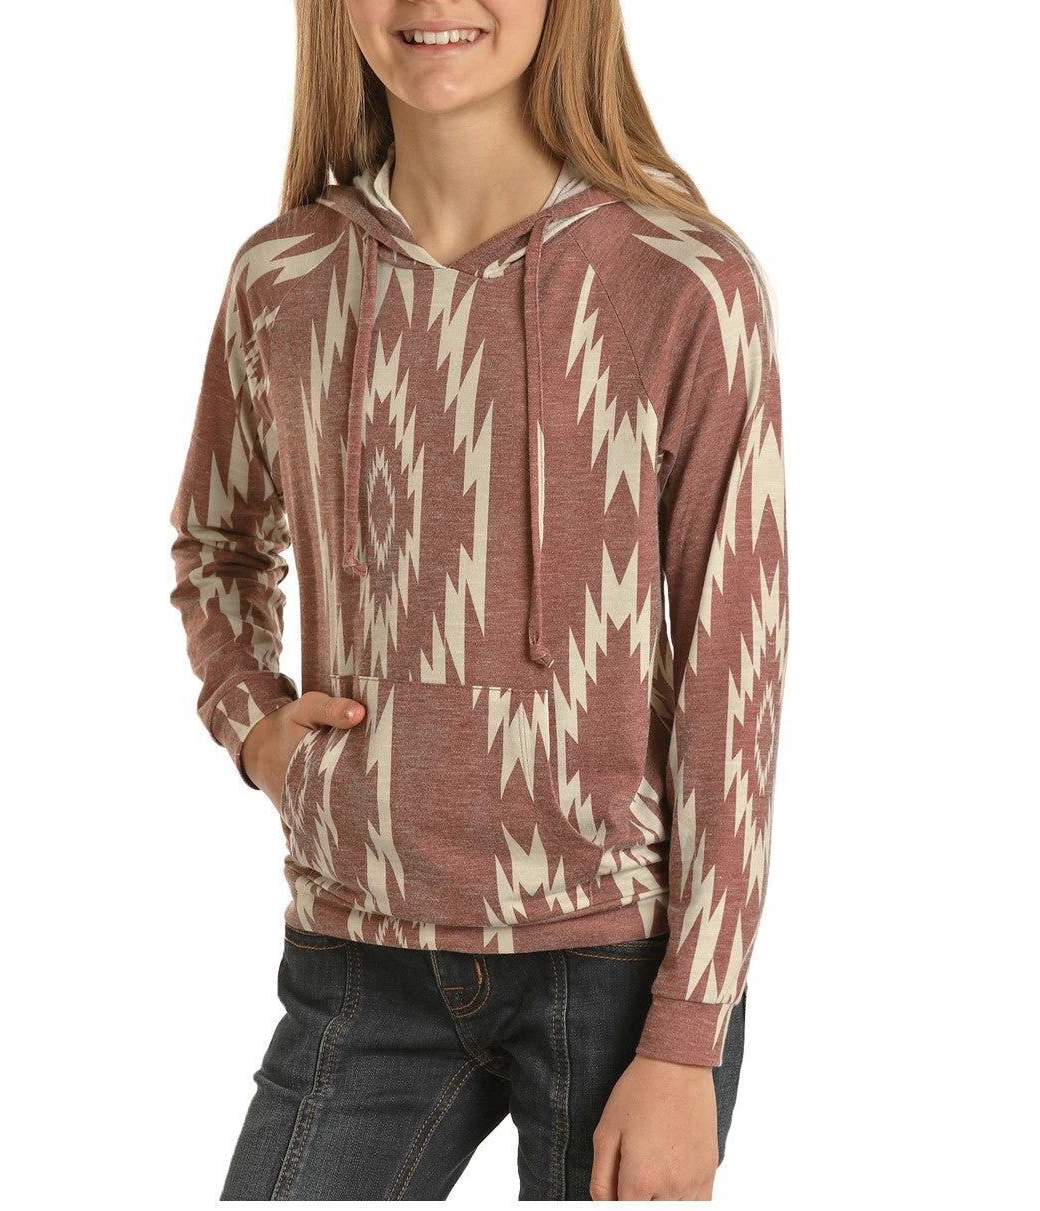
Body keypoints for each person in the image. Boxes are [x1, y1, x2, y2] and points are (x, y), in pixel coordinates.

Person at [167, 0, 788, 1200]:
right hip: (357, 949)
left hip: (612, 958)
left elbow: (734, 668)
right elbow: (216, 541)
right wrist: (254, 727)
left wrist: (686, 1033)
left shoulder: (680, 280)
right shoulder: (284, 276)